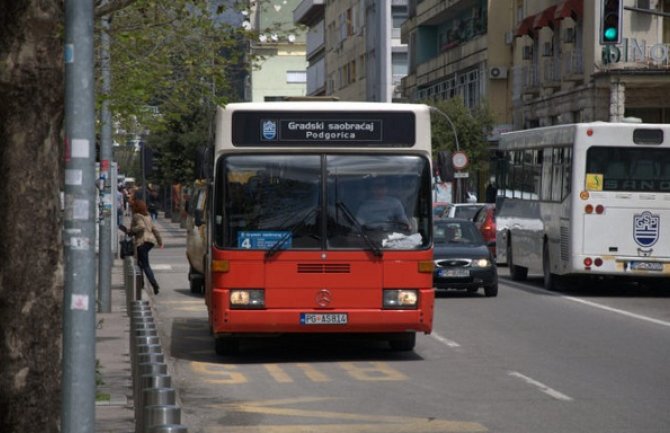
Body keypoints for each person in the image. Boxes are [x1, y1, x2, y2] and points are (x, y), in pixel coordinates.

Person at [129, 199, 163, 294]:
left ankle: (154, 284)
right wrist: (160, 241)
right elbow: (155, 229)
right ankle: (141, 283)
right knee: (140, 263)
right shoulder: (147, 216)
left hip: (142, 241)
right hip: (150, 241)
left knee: (145, 264)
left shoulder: (137, 216)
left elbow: (141, 226)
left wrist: (131, 231)